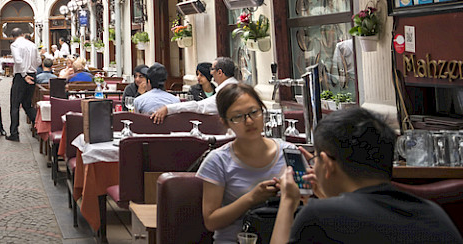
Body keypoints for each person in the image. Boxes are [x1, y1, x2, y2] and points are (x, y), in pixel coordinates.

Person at [272, 108, 463, 244]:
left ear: (328, 164)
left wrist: (288, 201)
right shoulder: (434, 214)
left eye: (315, 159)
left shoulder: (318, 216)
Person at [197, 83, 297, 243]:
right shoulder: (218, 161)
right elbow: (211, 221)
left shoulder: (290, 153)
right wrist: (252, 198)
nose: (249, 121)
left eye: (254, 112)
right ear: (225, 122)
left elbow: (309, 204)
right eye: (238, 117)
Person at [151, 56, 239, 124]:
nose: (211, 73)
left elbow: (198, 106)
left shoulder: (228, 90)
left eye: (212, 69)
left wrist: (168, 108)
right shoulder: (234, 86)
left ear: (220, 72)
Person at [7, 27, 39, 142]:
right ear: (22, 34)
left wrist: (25, 75)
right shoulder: (32, 45)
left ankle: (14, 133)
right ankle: (40, 128)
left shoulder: (15, 45)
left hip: (21, 76)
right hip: (32, 74)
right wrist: (32, 71)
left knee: (15, 105)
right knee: (27, 104)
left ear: (13, 37)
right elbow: (38, 60)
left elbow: (18, 60)